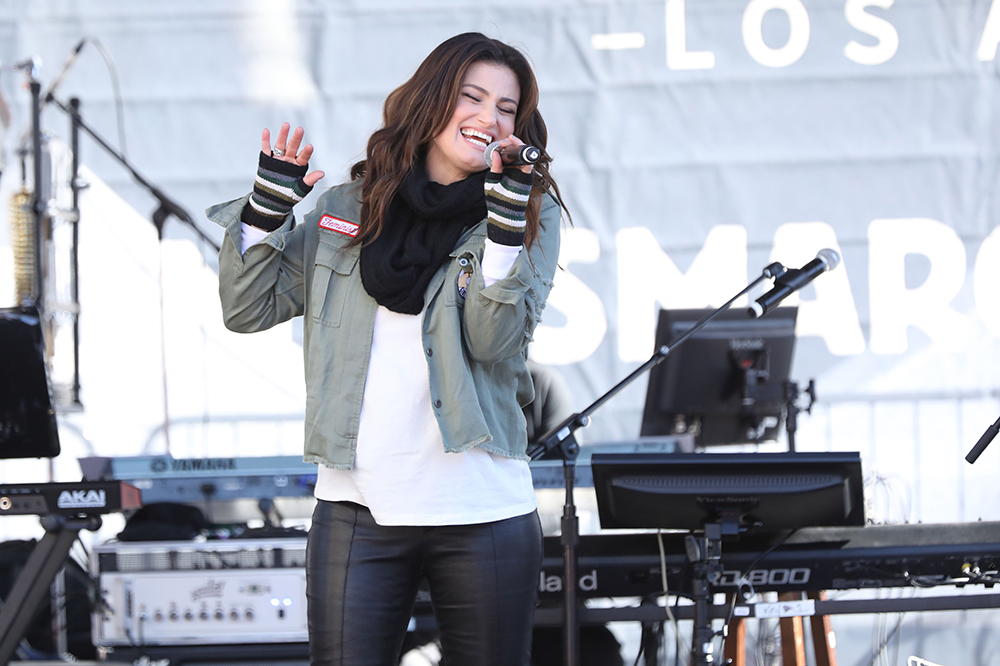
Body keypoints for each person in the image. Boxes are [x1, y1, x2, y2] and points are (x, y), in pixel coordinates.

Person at [207, 33, 568, 666]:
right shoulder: (347, 208)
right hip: (356, 508)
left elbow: (493, 341)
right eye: (472, 97)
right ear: (432, 102)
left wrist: (506, 231)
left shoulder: (530, 217)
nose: (488, 118)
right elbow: (246, 309)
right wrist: (266, 212)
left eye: (506, 108)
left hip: (482, 510)